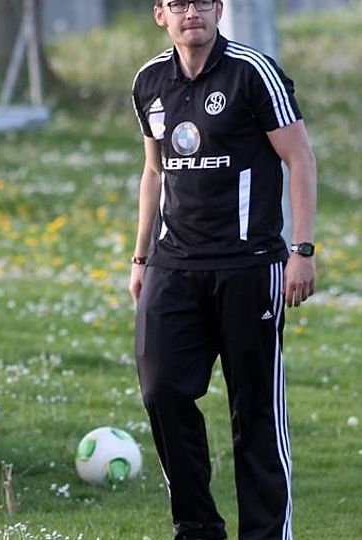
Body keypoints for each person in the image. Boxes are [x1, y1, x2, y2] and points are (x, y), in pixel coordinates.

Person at [129, 1, 317, 539]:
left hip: (249, 267)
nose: (192, 12)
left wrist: (302, 249)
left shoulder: (253, 74)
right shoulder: (148, 82)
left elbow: (299, 158)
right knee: (161, 391)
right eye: (179, 4)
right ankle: (198, 528)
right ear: (160, 14)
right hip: (173, 266)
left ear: (218, 10)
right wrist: (140, 257)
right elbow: (153, 170)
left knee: (254, 412)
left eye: (203, 2)